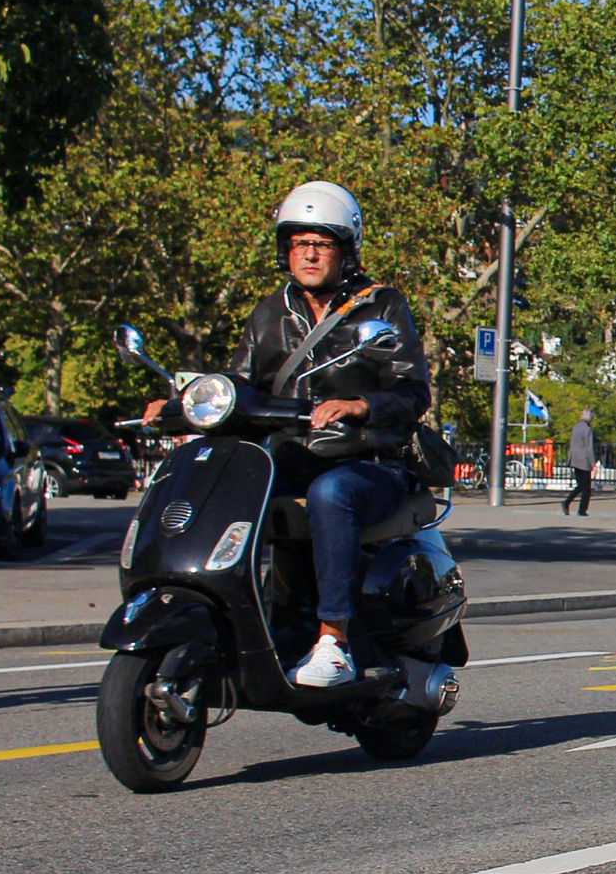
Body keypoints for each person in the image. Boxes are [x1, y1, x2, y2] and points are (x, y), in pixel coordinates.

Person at [144, 182, 431, 689]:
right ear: (286, 251)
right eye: (300, 244)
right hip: (287, 458)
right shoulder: (269, 313)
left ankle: (333, 642)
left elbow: (412, 391)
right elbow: (240, 385)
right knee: (212, 488)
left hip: (368, 463)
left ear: (345, 250)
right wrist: (180, 406)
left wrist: (361, 405)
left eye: (322, 244)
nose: (310, 254)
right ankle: (228, 621)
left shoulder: (380, 307)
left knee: (331, 493)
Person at [564, 409, 598, 516]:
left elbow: (572, 444)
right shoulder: (588, 430)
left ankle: (581, 509)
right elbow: (589, 448)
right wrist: (593, 463)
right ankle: (570, 503)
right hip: (584, 460)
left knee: (582, 485)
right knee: (585, 485)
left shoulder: (576, 427)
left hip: (575, 458)